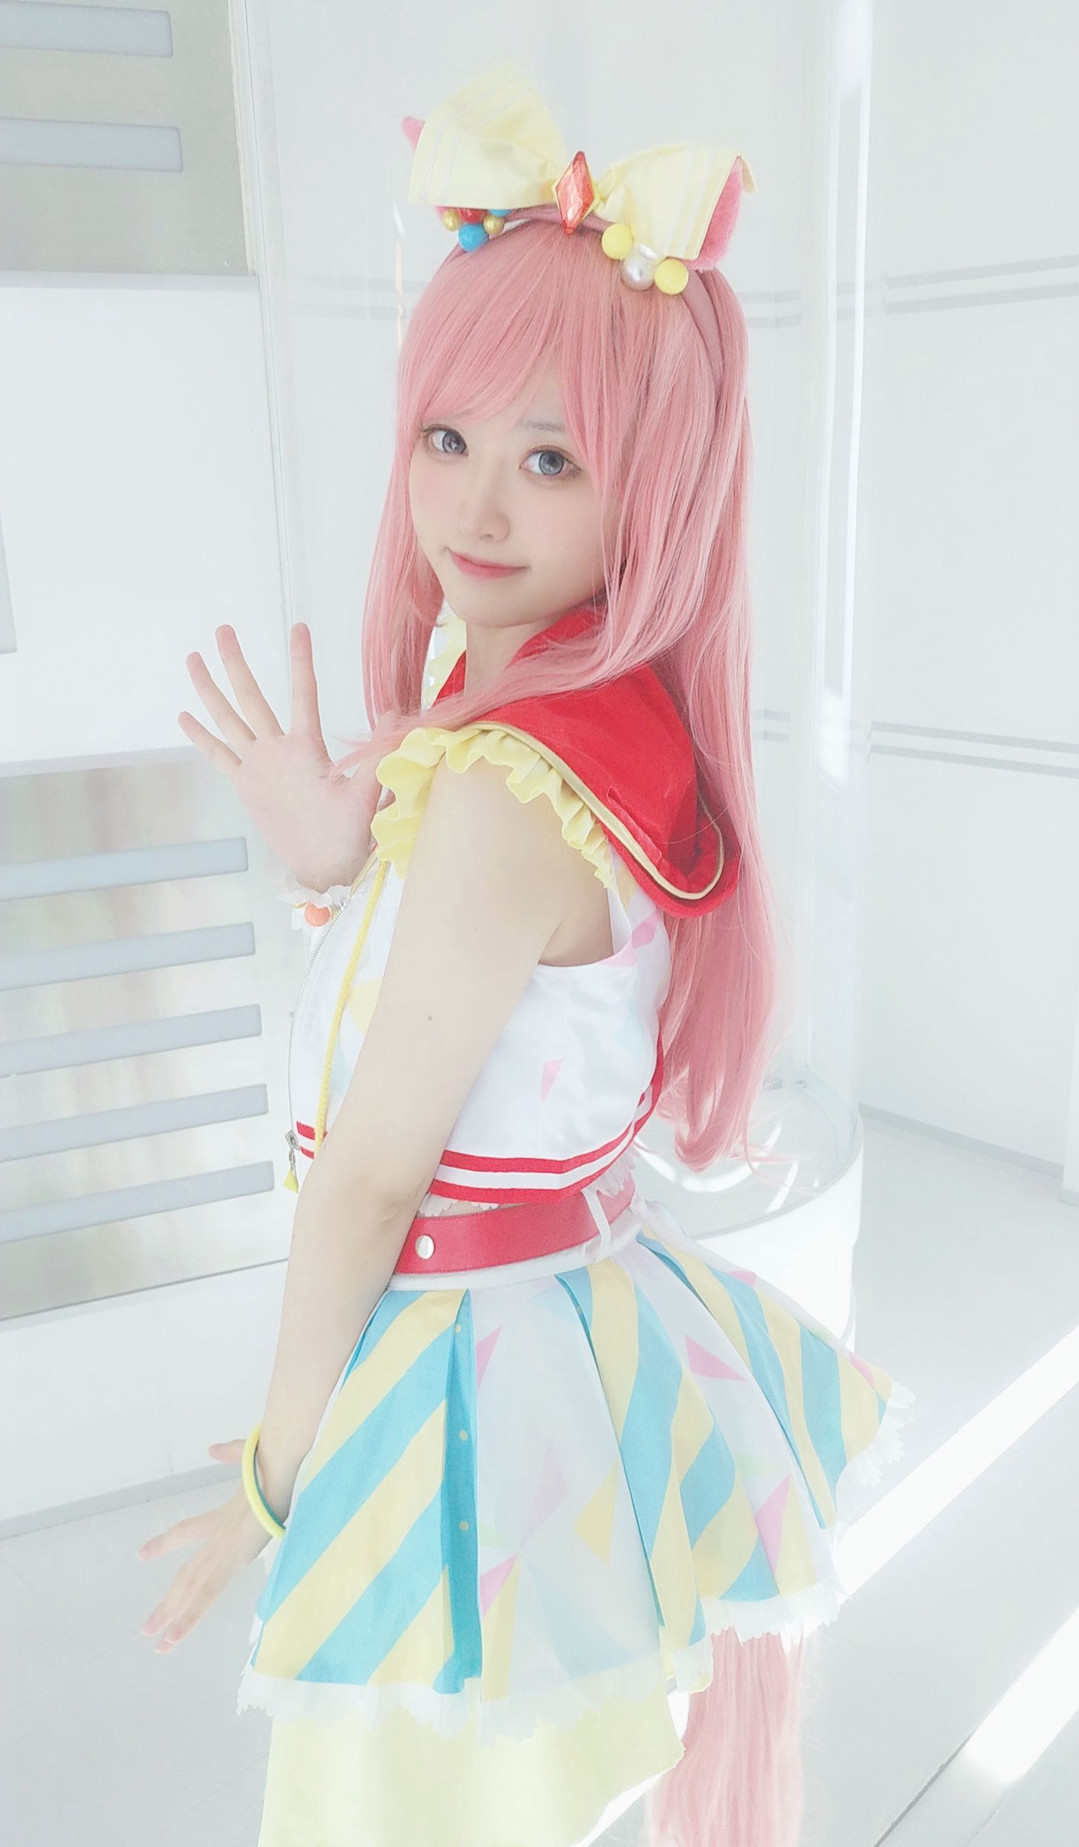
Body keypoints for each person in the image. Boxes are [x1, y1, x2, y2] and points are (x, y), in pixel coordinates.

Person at [138, 63, 915, 1847]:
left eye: (551, 459)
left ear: (651, 496)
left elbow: (370, 1180)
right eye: (450, 439)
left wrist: (272, 1482)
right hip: (563, 1329)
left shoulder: (504, 783)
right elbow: (500, 1028)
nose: (476, 509)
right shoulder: (577, 730)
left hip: (459, 1380)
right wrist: (336, 865)